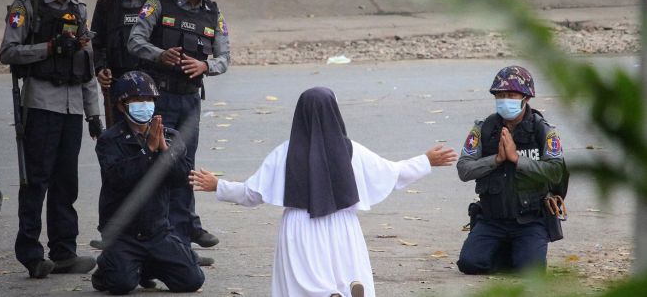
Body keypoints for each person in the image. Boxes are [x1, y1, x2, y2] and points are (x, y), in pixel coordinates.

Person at [189, 87, 458, 297]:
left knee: (301, 278)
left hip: (299, 225)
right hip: (343, 224)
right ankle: (344, 288)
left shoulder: (284, 153)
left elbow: (252, 193)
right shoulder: (351, 150)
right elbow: (393, 172)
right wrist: (425, 161)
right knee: (345, 267)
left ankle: (324, 293)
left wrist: (218, 186)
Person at [0, 0, 101, 278]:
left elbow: (86, 67)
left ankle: (64, 251)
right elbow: (8, 52)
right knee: (35, 182)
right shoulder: (25, 5)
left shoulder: (79, 10)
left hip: (72, 108)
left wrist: (94, 114)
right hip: (41, 103)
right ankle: (30, 253)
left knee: (66, 184)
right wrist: (48, 48)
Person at [127, 0, 229, 257]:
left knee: (185, 169)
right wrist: (161, 56)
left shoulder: (214, 14)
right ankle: (152, 241)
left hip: (189, 102)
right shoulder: (158, 2)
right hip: (160, 100)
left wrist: (205, 66)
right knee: (155, 168)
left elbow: (224, 58)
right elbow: (135, 40)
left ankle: (182, 245)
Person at [91, 71, 204, 294]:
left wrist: (164, 151)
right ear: (122, 105)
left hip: (157, 231)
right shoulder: (109, 140)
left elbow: (183, 178)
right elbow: (119, 178)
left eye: (149, 100)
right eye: (137, 101)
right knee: (120, 285)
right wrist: (148, 152)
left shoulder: (169, 135)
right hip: (123, 233)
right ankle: (107, 267)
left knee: (191, 281)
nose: (144, 105)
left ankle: (147, 266)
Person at [455, 65, 568, 274]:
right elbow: (464, 169)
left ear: (526, 98)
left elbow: (556, 171)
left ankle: (519, 253)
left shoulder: (543, 131)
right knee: (470, 264)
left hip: (530, 220)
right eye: (501, 95)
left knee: (531, 271)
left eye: (511, 95)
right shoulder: (484, 129)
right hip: (491, 219)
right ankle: (506, 252)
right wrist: (496, 160)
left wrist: (517, 159)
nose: (505, 100)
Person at [91, 0, 163, 125]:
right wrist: (101, 70)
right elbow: (97, 45)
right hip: (118, 90)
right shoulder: (106, 2)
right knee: (119, 146)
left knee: (156, 147)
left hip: (154, 90)